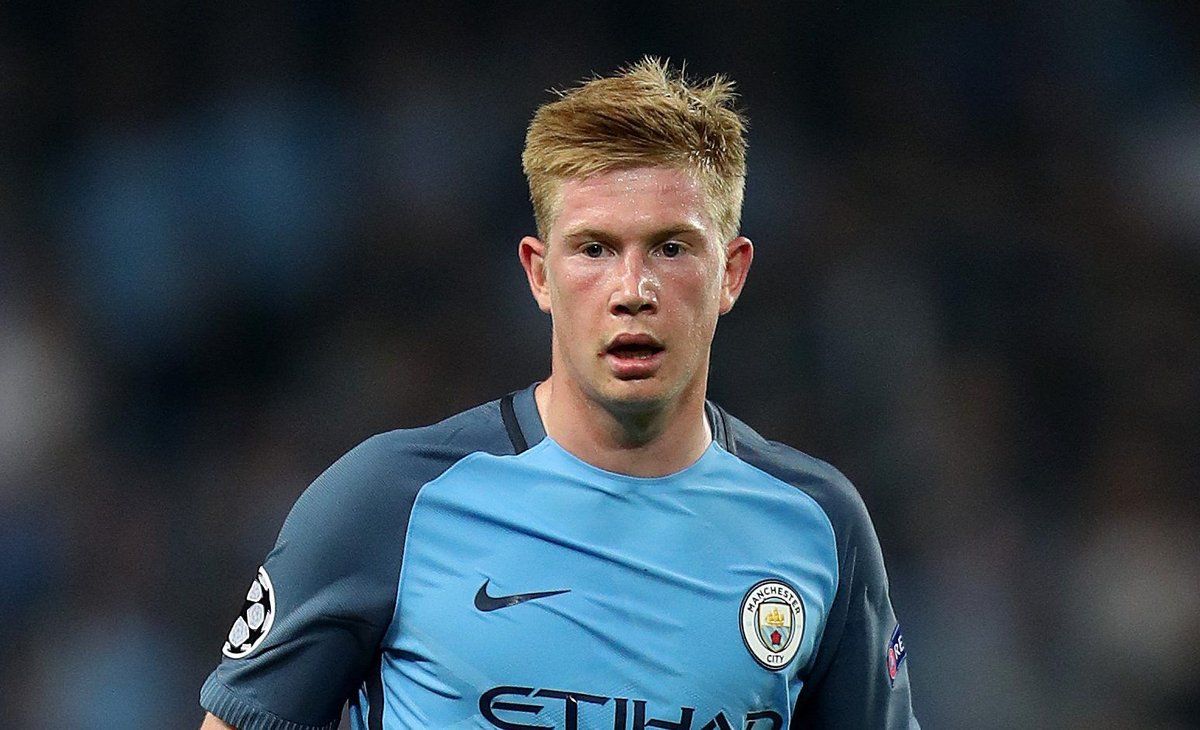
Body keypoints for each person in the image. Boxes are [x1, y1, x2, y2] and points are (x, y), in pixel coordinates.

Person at [199, 57, 919, 730]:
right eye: (594, 249)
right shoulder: (388, 501)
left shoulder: (819, 526)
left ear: (730, 273)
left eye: (671, 248)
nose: (632, 290)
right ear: (539, 273)